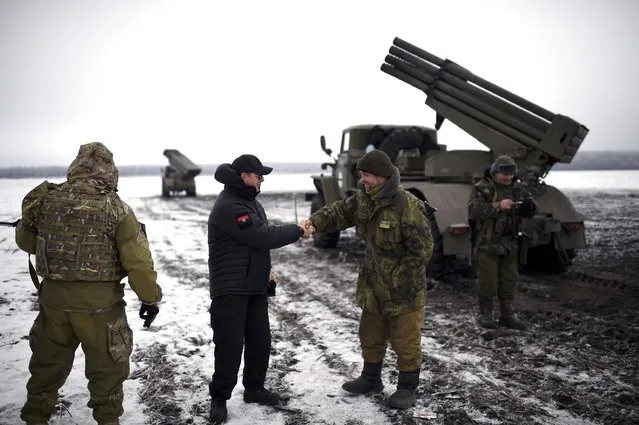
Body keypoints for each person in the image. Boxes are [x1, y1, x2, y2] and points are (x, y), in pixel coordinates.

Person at [14, 142, 163, 425]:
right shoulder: (117, 208)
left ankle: (35, 417)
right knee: (107, 372)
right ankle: (107, 420)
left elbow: (27, 242)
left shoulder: (47, 200)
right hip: (100, 307)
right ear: (109, 170)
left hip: (54, 302)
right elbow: (138, 263)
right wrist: (150, 297)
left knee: (46, 367)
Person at [303, 149, 433, 410]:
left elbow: (422, 251)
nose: (362, 179)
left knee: (405, 340)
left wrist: (399, 280)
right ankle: (370, 378)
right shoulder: (364, 198)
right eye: (361, 174)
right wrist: (314, 223)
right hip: (373, 285)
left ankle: (407, 388)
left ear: (383, 177)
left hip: (403, 288)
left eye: (367, 175)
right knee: (370, 334)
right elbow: (339, 212)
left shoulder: (406, 205)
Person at [207, 154, 312, 423]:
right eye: (258, 174)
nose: (262, 178)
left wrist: (266, 271)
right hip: (230, 288)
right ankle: (219, 398)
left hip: (253, 285)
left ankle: (254, 389)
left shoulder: (248, 202)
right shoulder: (230, 205)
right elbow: (261, 235)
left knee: (259, 341)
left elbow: (257, 244)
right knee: (229, 347)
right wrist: (298, 230)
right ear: (244, 177)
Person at [468, 155, 538, 330]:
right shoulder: (482, 188)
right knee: (488, 281)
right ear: (494, 172)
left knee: (509, 281)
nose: (508, 177)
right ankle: (486, 315)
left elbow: (532, 206)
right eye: (504, 174)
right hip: (488, 244)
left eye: (511, 174)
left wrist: (530, 207)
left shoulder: (518, 188)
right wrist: (497, 206)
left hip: (510, 243)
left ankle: (507, 315)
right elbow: (474, 211)